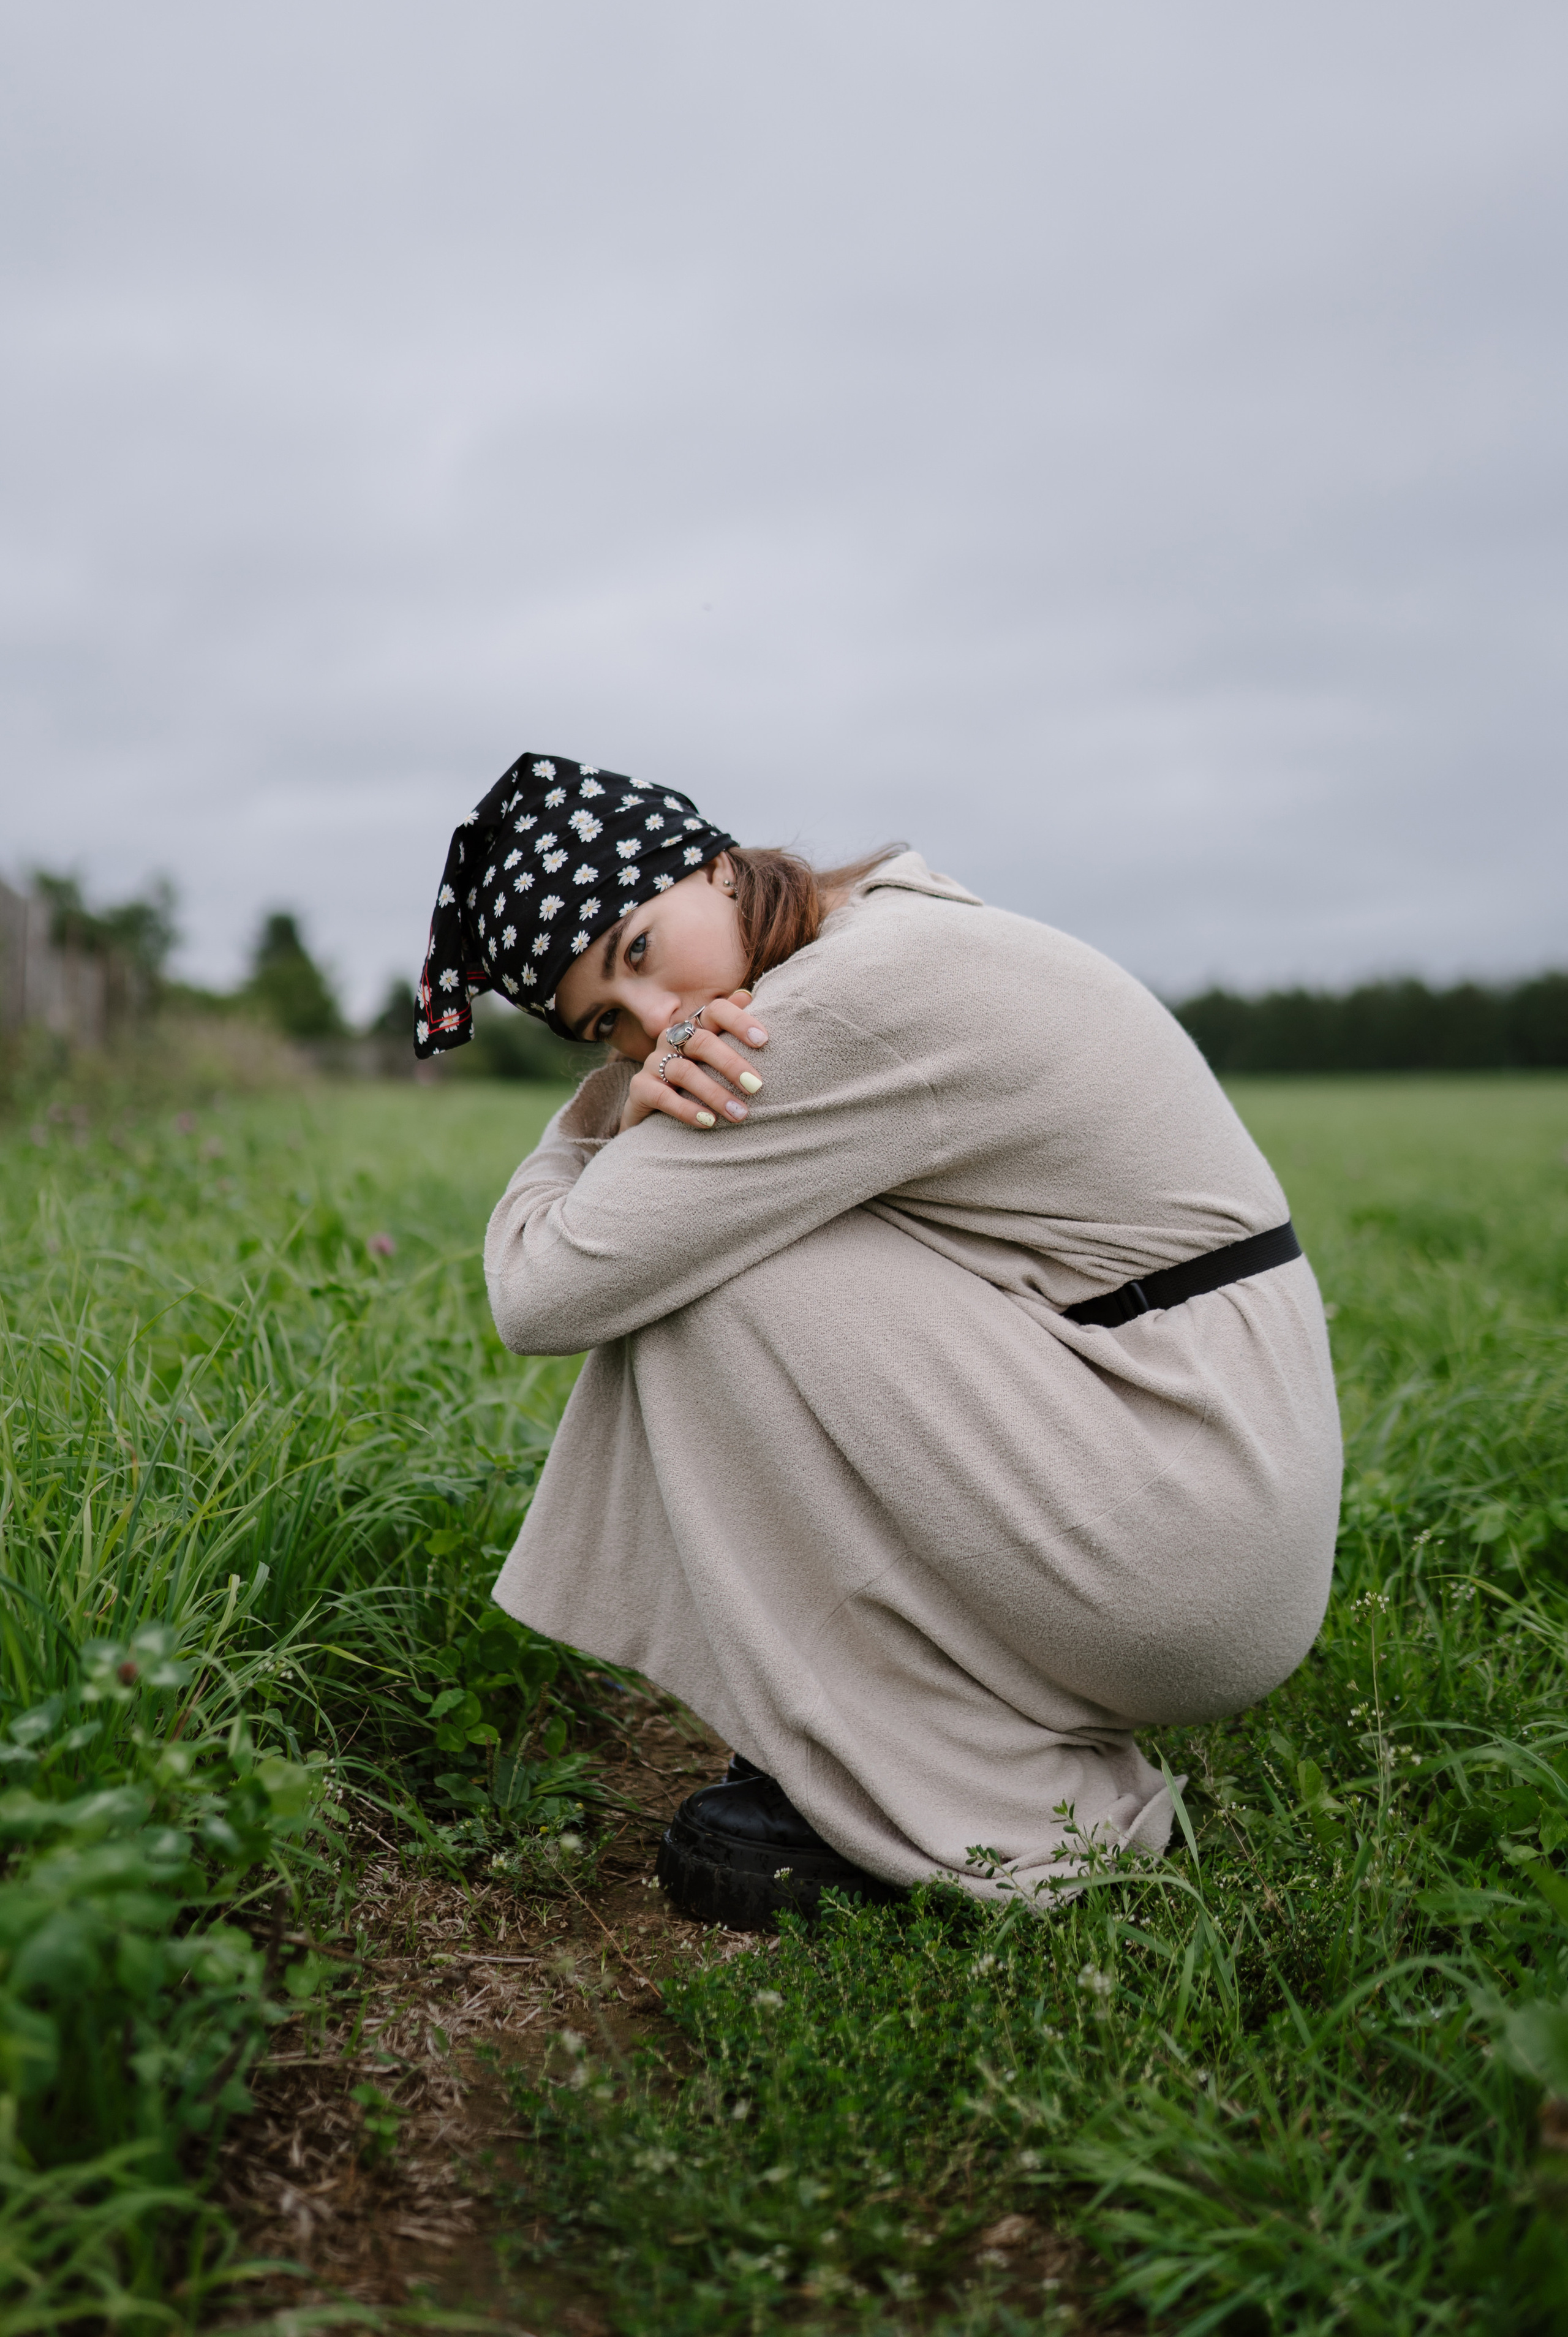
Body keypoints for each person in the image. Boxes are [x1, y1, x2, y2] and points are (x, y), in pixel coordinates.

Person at [417, 750, 1342, 1928]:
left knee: (700, 1276)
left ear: (714, 867)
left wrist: (594, 1118)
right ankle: (901, 1721)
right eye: (607, 1024)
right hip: (1205, 1481)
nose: (661, 1027)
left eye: (640, 954)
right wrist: (625, 1098)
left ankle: (989, 1796)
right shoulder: (884, 922)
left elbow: (541, 1292)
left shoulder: (831, 1008)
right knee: (707, 1243)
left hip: (1189, 1528)